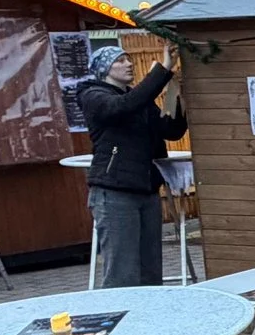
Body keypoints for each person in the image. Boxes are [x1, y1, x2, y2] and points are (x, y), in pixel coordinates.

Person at [77, 44, 188, 287]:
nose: (128, 64)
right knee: (122, 273)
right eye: (120, 61)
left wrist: (176, 95)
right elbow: (125, 106)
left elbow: (171, 130)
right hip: (114, 194)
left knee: (150, 271)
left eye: (128, 59)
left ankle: (152, 320)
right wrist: (162, 70)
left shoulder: (138, 100)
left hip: (146, 191)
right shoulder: (93, 96)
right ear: (105, 70)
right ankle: (120, 319)